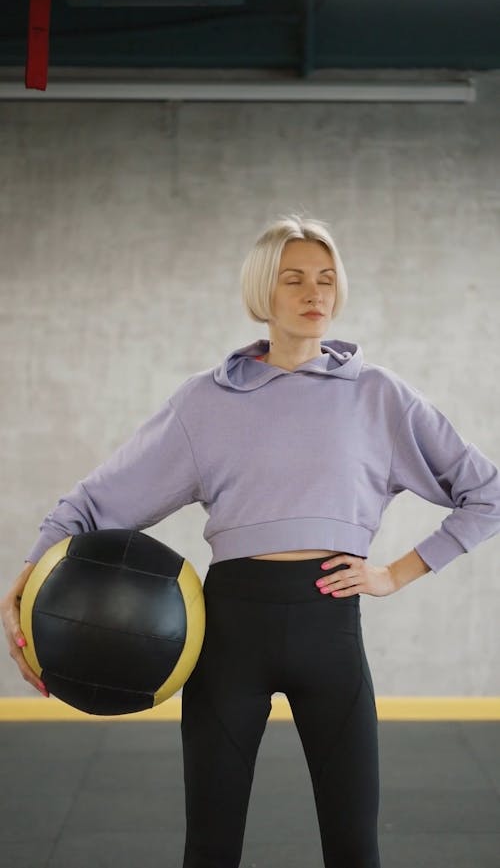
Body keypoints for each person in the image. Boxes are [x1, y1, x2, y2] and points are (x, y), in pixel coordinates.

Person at [2, 213, 500, 868]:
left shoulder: (380, 397)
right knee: (209, 848)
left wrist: (395, 573)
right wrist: (32, 575)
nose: (314, 292)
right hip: (230, 632)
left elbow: (485, 491)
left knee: (356, 849)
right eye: (294, 279)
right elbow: (95, 501)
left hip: (331, 629)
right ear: (263, 292)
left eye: (326, 278)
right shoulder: (207, 402)